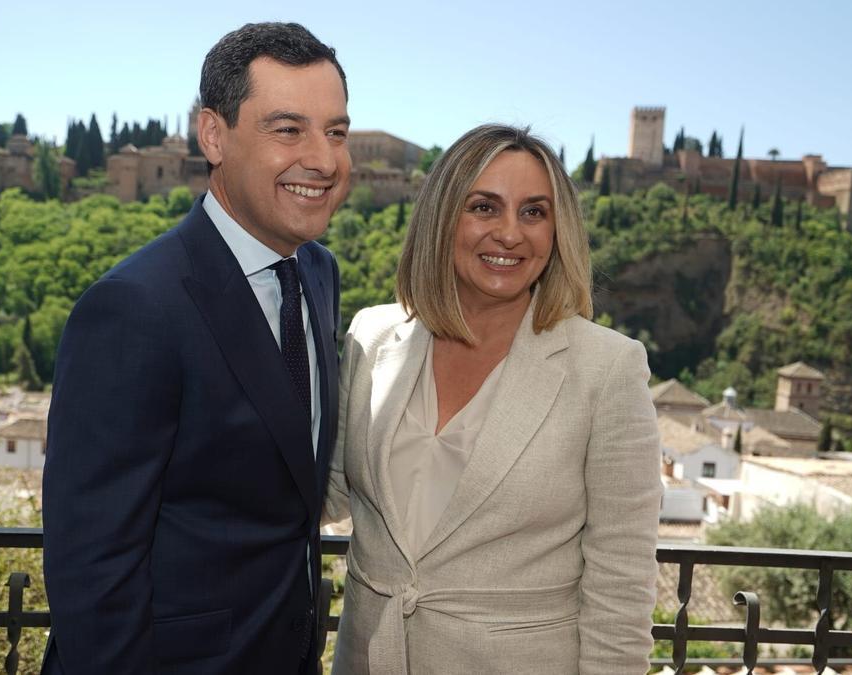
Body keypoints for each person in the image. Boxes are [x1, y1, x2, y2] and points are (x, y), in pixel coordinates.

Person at [41, 22, 350, 675]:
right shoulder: (133, 308)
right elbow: (92, 573)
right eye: (288, 129)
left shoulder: (319, 276)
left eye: (337, 132)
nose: (323, 158)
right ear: (213, 135)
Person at [324, 124, 661, 674]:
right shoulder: (372, 336)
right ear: (441, 218)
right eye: (484, 207)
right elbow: (330, 487)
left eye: (534, 212)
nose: (509, 233)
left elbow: (621, 582)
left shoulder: (607, 369)